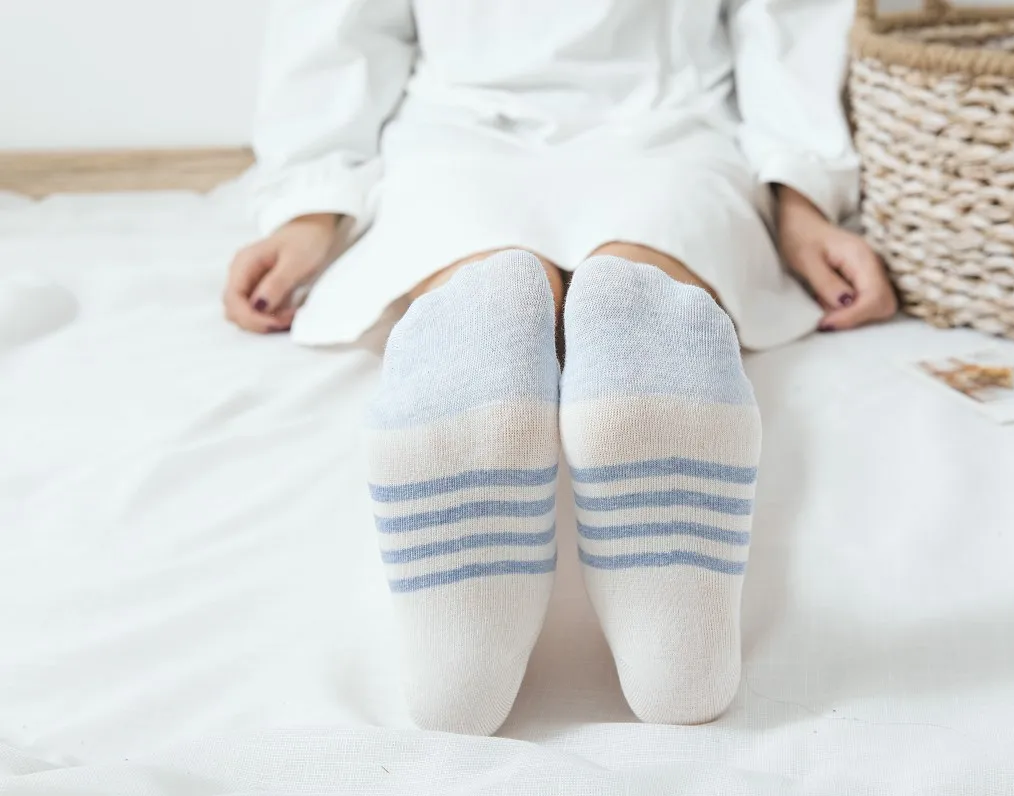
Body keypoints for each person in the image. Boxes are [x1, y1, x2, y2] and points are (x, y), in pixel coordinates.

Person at [225, 0, 898, 736]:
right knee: (627, 234)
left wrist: (802, 202)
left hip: (666, 125)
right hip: (476, 128)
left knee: (530, 235)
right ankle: (563, 339)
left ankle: (546, 340)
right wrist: (310, 206)